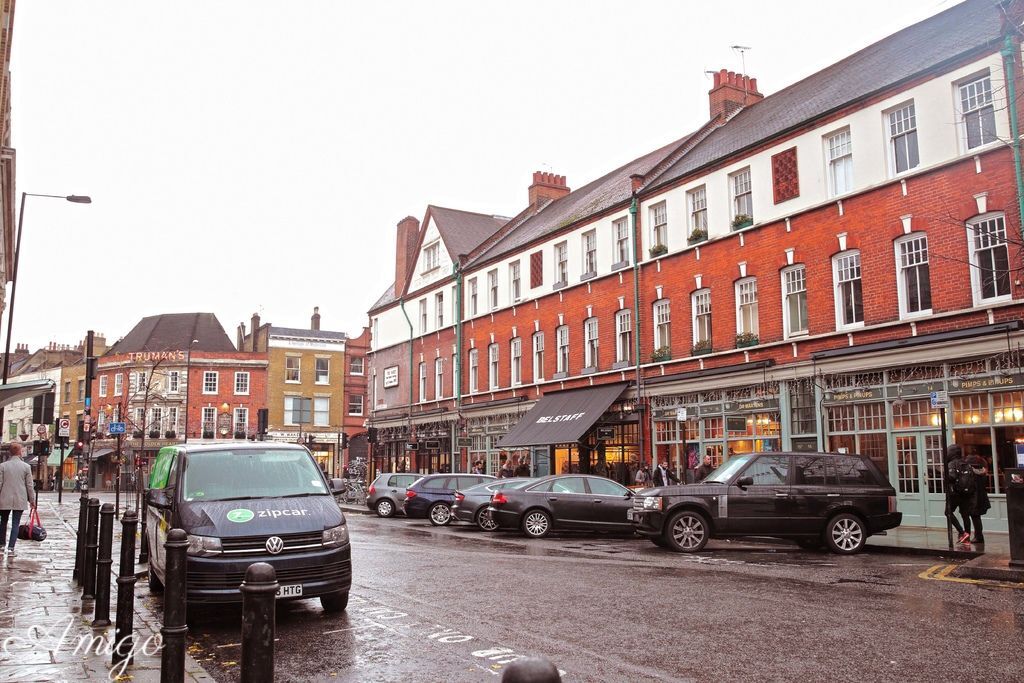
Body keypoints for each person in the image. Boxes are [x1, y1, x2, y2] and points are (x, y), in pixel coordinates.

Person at [0, 443, 36, 556]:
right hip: (20, 499)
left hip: (4, 498)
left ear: (10, 452)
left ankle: (1, 546)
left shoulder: (3, 466)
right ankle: (11, 548)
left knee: (3, 522)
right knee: (15, 523)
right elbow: (29, 486)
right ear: (20, 452)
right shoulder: (26, 467)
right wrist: (32, 500)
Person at [944, 445, 974, 544]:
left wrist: (945, 476)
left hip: (955, 493)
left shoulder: (952, 464)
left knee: (948, 512)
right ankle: (967, 534)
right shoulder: (965, 463)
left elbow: (952, 477)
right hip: (966, 493)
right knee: (965, 515)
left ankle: (962, 532)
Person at [964, 451, 992, 544]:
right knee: (976, 517)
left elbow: (969, 484)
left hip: (974, 496)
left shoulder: (971, 472)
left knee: (974, 516)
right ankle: (978, 535)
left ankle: (978, 536)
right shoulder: (982, 470)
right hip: (981, 495)